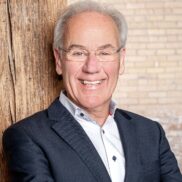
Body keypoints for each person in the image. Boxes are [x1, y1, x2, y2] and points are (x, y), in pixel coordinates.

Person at [3, 1, 182, 182]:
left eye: (104, 53)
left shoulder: (151, 133)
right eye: (78, 53)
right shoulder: (28, 137)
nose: (92, 67)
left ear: (121, 59)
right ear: (59, 60)